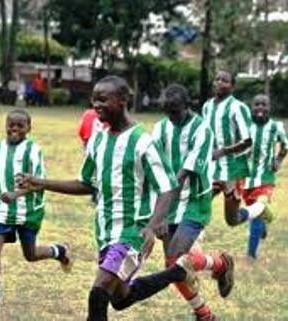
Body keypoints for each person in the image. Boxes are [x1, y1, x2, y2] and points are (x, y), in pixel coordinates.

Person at [17, 75, 202, 321]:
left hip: (132, 233)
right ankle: (177, 272)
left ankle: (177, 272)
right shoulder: (98, 140)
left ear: (123, 100)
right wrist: (41, 182)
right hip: (105, 233)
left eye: (103, 99)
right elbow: (85, 184)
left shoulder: (142, 142)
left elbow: (167, 187)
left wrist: (151, 226)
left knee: (98, 293)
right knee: (121, 298)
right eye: (94, 100)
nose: (96, 105)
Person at [0, 109, 73, 317]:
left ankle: (59, 251)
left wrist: (17, 194)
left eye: (20, 126)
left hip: (29, 211)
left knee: (31, 254)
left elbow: (39, 183)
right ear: (5, 125)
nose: (14, 129)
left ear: (28, 128)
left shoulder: (33, 150)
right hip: (2, 209)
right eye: (11, 125)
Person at [152, 84, 234, 321]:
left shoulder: (202, 130)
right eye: (167, 112)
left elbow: (182, 176)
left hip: (194, 201)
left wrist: (159, 215)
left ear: (188, 106)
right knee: (172, 267)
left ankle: (220, 265)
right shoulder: (160, 128)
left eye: (175, 112)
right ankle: (205, 310)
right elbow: (155, 169)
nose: (172, 118)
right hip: (169, 200)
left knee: (179, 257)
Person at [202, 70, 272, 228]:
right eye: (217, 79)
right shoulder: (207, 106)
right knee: (199, 204)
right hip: (212, 167)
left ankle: (259, 208)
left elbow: (247, 141)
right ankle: (192, 247)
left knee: (232, 220)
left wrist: (222, 151)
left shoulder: (237, 107)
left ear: (232, 86)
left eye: (224, 80)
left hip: (233, 169)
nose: (220, 82)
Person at [243, 94, 288, 260]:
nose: (260, 108)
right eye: (257, 104)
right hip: (245, 178)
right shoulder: (245, 125)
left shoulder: (276, 126)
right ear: (251, 107)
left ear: (269, 107)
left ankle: (251, 254)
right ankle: (265, 220)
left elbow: (286, 144)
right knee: (254, 213)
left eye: (264, 105)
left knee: (255, 213)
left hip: (265, 177)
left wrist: (278, 159)